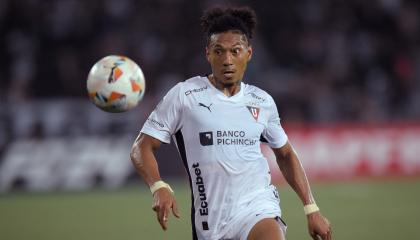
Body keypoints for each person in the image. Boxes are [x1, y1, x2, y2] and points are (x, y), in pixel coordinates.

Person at [130, 6, 332, 240]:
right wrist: (158, 186)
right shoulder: (185, 95)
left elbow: (285, 154)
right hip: (211, 223)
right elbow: (141, 147)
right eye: (219, 51)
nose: (227, 60)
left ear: (249, 53)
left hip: (258, 207)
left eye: (235, 51)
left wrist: (311, 208)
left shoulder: (262, 101)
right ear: (208, 54)